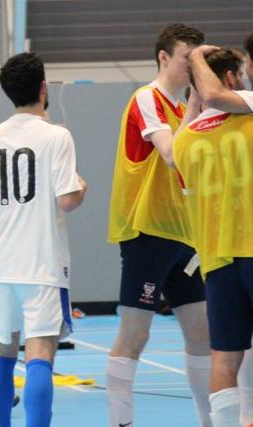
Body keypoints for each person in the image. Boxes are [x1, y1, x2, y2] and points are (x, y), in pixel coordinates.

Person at [105, 23, 213, 427]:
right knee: (135, 337)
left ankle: (209, 421)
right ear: (164, 58)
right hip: (147, 233)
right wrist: (196, 106)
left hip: (186, 237)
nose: (193, 67)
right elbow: (173, 154)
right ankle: (121, 422)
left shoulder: (191, 103)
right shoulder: (146, 99)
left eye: (199, 59)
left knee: (202, 335)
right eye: (188, 58)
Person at [0, 52, 86, 427]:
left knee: (2, 353)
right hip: (41, 263)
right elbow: (67, 199)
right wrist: (82, 186)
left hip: (0, 264)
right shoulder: (58, 136)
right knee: (40, 354)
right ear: (43, 88)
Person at [175, 47, 253, 427]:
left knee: (224, 357)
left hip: (217, 260)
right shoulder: (250, 105)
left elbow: (199, 112)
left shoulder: (185, 140)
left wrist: (194, 86)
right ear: (229, 79)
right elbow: (216, 97)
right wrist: (200, 65)